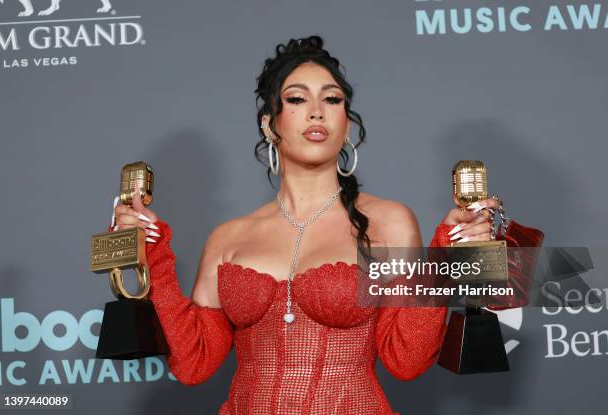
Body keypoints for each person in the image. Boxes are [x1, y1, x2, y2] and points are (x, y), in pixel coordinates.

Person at [112, 35, 498, 415]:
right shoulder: (228, 238)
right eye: (297, 99)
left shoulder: (388, 222)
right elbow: (194, 364)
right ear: (269, 125)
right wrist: (151, 253)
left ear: (346, 126)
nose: (317, 112)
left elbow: (407, 360)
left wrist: (448, 256)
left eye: (332, 99)